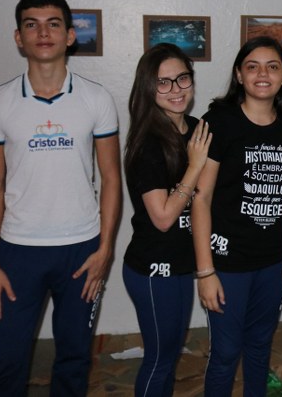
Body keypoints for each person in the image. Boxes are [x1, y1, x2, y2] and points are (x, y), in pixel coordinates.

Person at [0, 0, 122, 395]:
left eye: (53, 24)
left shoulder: (96, 98)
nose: (43, 33)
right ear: (18, 37)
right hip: (17, 251)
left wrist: (105, 249)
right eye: (32, 25)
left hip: (81, 250)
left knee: (74, 360)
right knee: (3, 363)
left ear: (70, 35)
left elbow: (111, 178)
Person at [193, 37, 282, 396]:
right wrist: (205, 271)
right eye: (252, 67)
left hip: (273, 261)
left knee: (259, 347)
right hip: (227, 262)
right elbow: (201, 198)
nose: (262, 74)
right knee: (225, 353)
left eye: (272, 67)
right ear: (239, 74)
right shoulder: (219, 122)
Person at [122, 43, 212, 396]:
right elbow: (162, 217)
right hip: (152, 268)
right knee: (159, 359)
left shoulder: (197, 129)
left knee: (171, 356)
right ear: (149, 87)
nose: (176, 89)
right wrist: (194, 167)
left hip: (181, 264)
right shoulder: (147, 143)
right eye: (164, 82)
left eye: (182, 78)